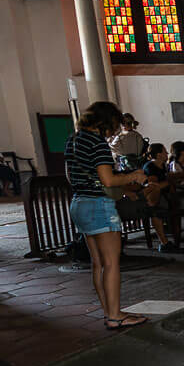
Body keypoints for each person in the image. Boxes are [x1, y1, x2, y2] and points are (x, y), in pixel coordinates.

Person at [65, 101, 150, 329]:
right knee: (112, 263)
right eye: (114, 124)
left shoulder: (73, 140)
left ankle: (110, 312)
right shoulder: (97, 143)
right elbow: (108, 180)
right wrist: (135, 176)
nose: (115, 130)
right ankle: (115, 316)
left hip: (79, 203)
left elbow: (76, 176)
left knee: (98, 264)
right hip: (98, 206)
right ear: (106, 121)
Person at [136, 143, 178, 252]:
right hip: (152, 197)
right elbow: (153, 187)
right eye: (165, 152)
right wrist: (168, 182)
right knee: (156, 209)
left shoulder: (163, 165)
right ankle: (164, 242)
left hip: (164, 194)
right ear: (159, 154)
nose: (167, 154)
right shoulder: (150, 167)